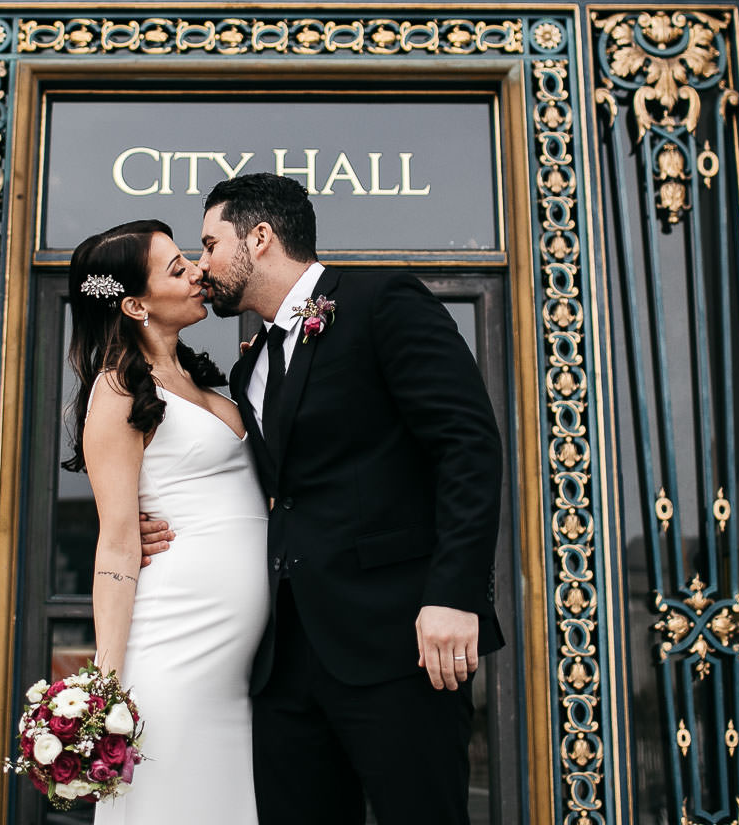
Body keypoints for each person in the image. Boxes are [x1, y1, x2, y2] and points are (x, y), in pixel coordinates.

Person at [144, 172, 505, 825]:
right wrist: (161, 524)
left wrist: (454, 594)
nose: (202, 267)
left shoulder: (380, 301)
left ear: (260, 237)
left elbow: (467, 447)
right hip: (284, 660)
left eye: (208, 244)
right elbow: (270, 486)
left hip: (396, 641)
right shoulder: (251, 366)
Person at [65, 219, 267, 825]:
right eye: (177, 270)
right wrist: (104, 684)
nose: (198, 271)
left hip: (243, 662)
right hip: (177, 646)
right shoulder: (119, 392)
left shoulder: (207, 377)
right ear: (133, 304)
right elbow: (120, 544)